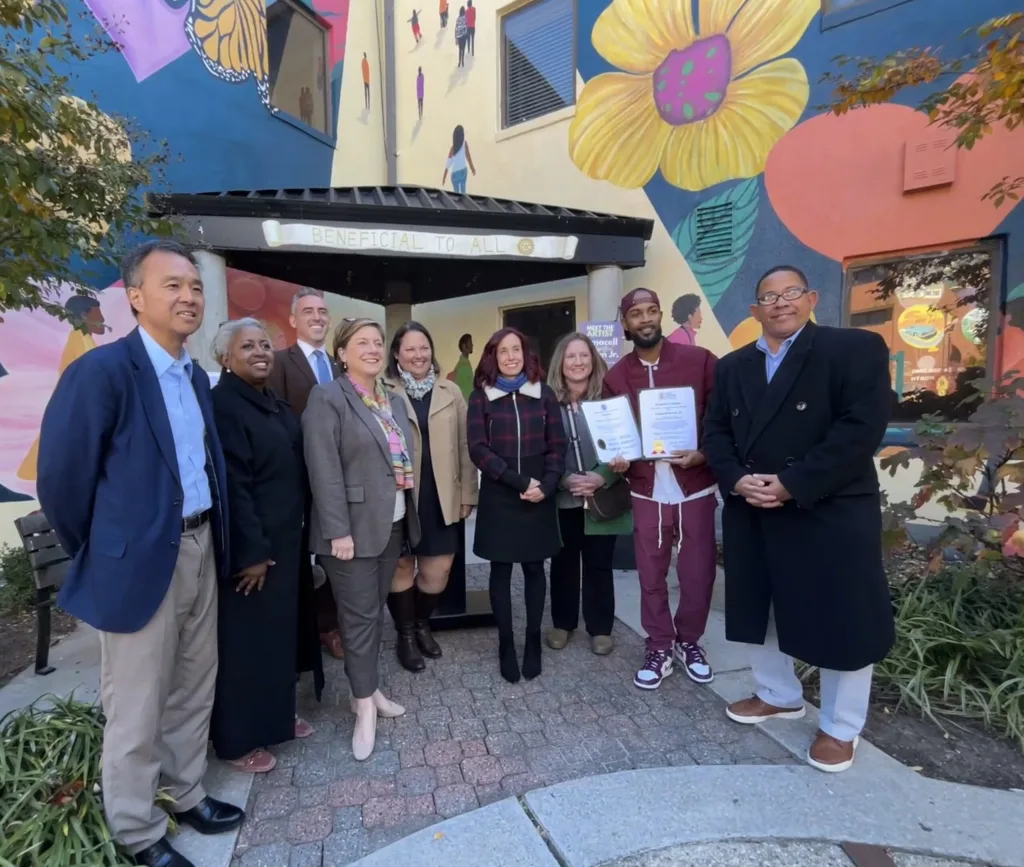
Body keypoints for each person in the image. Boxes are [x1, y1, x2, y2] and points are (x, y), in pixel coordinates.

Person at [36, 240, 243, 867]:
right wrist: (107, 551)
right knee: (136, 702)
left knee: (191, 685)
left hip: (202, 545)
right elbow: (63, 482)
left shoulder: (194, 376)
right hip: (140, 563)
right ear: (134, 297)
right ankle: (137, 830)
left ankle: (183, 792)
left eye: (195, 287)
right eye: (172, 285)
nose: (188, 297)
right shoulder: (102, 373)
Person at [702, 265, 895, 773]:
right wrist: (736, 479)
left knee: (842, 617)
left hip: (827, 507)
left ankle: (839, 727)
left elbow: (861, 430)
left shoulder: (853, 349)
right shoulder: (733, 366)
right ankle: (777, 694)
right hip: (754, 505)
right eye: (768, 296)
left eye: (790, 293)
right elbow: (716, 432)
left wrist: (794, 483)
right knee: (760, 606)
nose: (780, 303)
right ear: (754, 310)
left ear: (810, 299)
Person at [209, 319, 324, 774]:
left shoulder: (270, 402)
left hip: (287, 541)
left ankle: (276, 716)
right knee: (248, 647)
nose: (260, 352)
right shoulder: (224, 406)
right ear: (225, 358)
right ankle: (238, 740)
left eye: (264, 344)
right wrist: (252, 553)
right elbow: (234, 484)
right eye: (247, 346)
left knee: (280, 638)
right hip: (256, 553)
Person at [303, 318, 420, 761]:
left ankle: (366, 693)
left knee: (373, 614)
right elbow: (323, 468)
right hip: (349, 532)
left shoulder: (388, 398)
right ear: (342, 353)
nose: (372, 348)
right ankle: (364, 710)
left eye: (377, 342)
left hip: (390, 523)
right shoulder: (328, 397)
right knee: (357, 619)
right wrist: (337, 532)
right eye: (362, 343)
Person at [603, 288, 719, 690]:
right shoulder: (616, 375)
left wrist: (704, 454)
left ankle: (690, 642)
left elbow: (723, 421)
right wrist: (616, 459)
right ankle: (659, 645)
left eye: (652, 311)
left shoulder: (699, 361)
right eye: (637, 313)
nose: (646, 319)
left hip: (695, 485)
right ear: (626, 323)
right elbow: (613, 434)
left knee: (697, 573)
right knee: (651, 573)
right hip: (647, 489)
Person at [467, 327, 566, 683]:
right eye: (502, 351)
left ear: (526, 354)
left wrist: (548, 485)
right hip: (501, 493)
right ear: (492, 357)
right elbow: (478, 448)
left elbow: (558, 446)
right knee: (501, 571)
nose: (511, 357)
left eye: (516, 350)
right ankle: (506, 643)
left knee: (535, 569)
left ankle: (533, 641)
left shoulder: (544, 394)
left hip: (539, 494)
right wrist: (518, 481)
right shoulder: (481, 396)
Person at [385, 322, 478, 672]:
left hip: (442, 494)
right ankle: (406, 635)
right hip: (402, 495)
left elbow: (468, 445)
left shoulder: (450, 390)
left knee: (438, 571)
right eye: (409, 349)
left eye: (423, 347)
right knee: (402, 566)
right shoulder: (383, 390)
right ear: (396, 354)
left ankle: (421, 621)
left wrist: (469, 492)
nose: (418, 355)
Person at [267, 288, 345, 661]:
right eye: (308, 311)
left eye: (322, 311)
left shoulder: (339, 364)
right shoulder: (280, 362)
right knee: (298, 560)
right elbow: (277, 423)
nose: (317, 317)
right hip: (297, 481)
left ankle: (329, 626)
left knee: (334, 557)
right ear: (294, 320)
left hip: (336, 482)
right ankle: (300, 631)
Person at [546, 332, 631, 656]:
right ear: (561, 363)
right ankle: (562, 623)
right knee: (563, 562)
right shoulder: (548, 404)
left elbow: (625, 446)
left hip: (603, 495)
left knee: (599, 563)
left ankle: (600, 627)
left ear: (593, 360)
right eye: (571, 356)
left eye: (584, 355)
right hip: (564, 495)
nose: (578, 362)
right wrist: (565, 480)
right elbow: (541, 451)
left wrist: (601, 475)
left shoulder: (610, 399)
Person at [18, 294, 106, 482]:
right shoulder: (82, 342)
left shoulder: (81, 339)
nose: (103, 320)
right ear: (84, 316)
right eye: (98, 314)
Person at [443, 124, 475, 193]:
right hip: (463, 171)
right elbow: (468, 157)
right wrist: (472, 168)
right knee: (463, 191)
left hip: (454, 174)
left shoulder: (453, 148)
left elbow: (448, 165)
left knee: (456, 193)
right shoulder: (464, 144)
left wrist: (444, 177)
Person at [448, 332, 474, 400]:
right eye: (470, 343)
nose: (472, 345)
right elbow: (467, 391)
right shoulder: (463, 366)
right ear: (464, 346)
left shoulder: (463, 364)